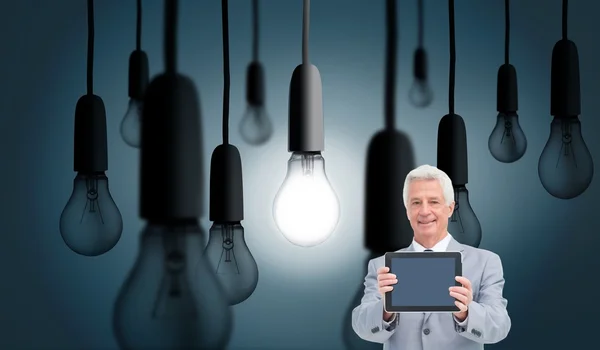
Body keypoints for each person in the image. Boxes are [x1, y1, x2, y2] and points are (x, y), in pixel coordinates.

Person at [351, 164, 511, 349]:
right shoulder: (381, 266)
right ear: (407, 210)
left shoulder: (485, 263)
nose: (424, 211)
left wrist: (467, 312)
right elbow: (361, 327)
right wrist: (386, 310)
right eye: (416, 202)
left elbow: (500, 327)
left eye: (434, 202)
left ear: (450, 208)